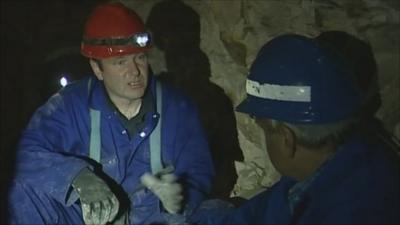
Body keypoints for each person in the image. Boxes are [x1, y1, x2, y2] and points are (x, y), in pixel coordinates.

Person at [8, 2, 214, 225]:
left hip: (151, 219)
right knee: (20, 190)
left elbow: (198, 171)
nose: (134, 71)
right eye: (120, 62)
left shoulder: (177, 108)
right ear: (97, 69)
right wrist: (77, 177)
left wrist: (180, 198)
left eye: (140, 58)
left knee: (217, 213)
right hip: (90, 219)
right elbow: (25, 153)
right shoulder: (71, 106)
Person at [191, 34, 400, 224]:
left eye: (263, 128)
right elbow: (260, 214)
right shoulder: (323, 166)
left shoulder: (361, 209)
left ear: (286, 138)